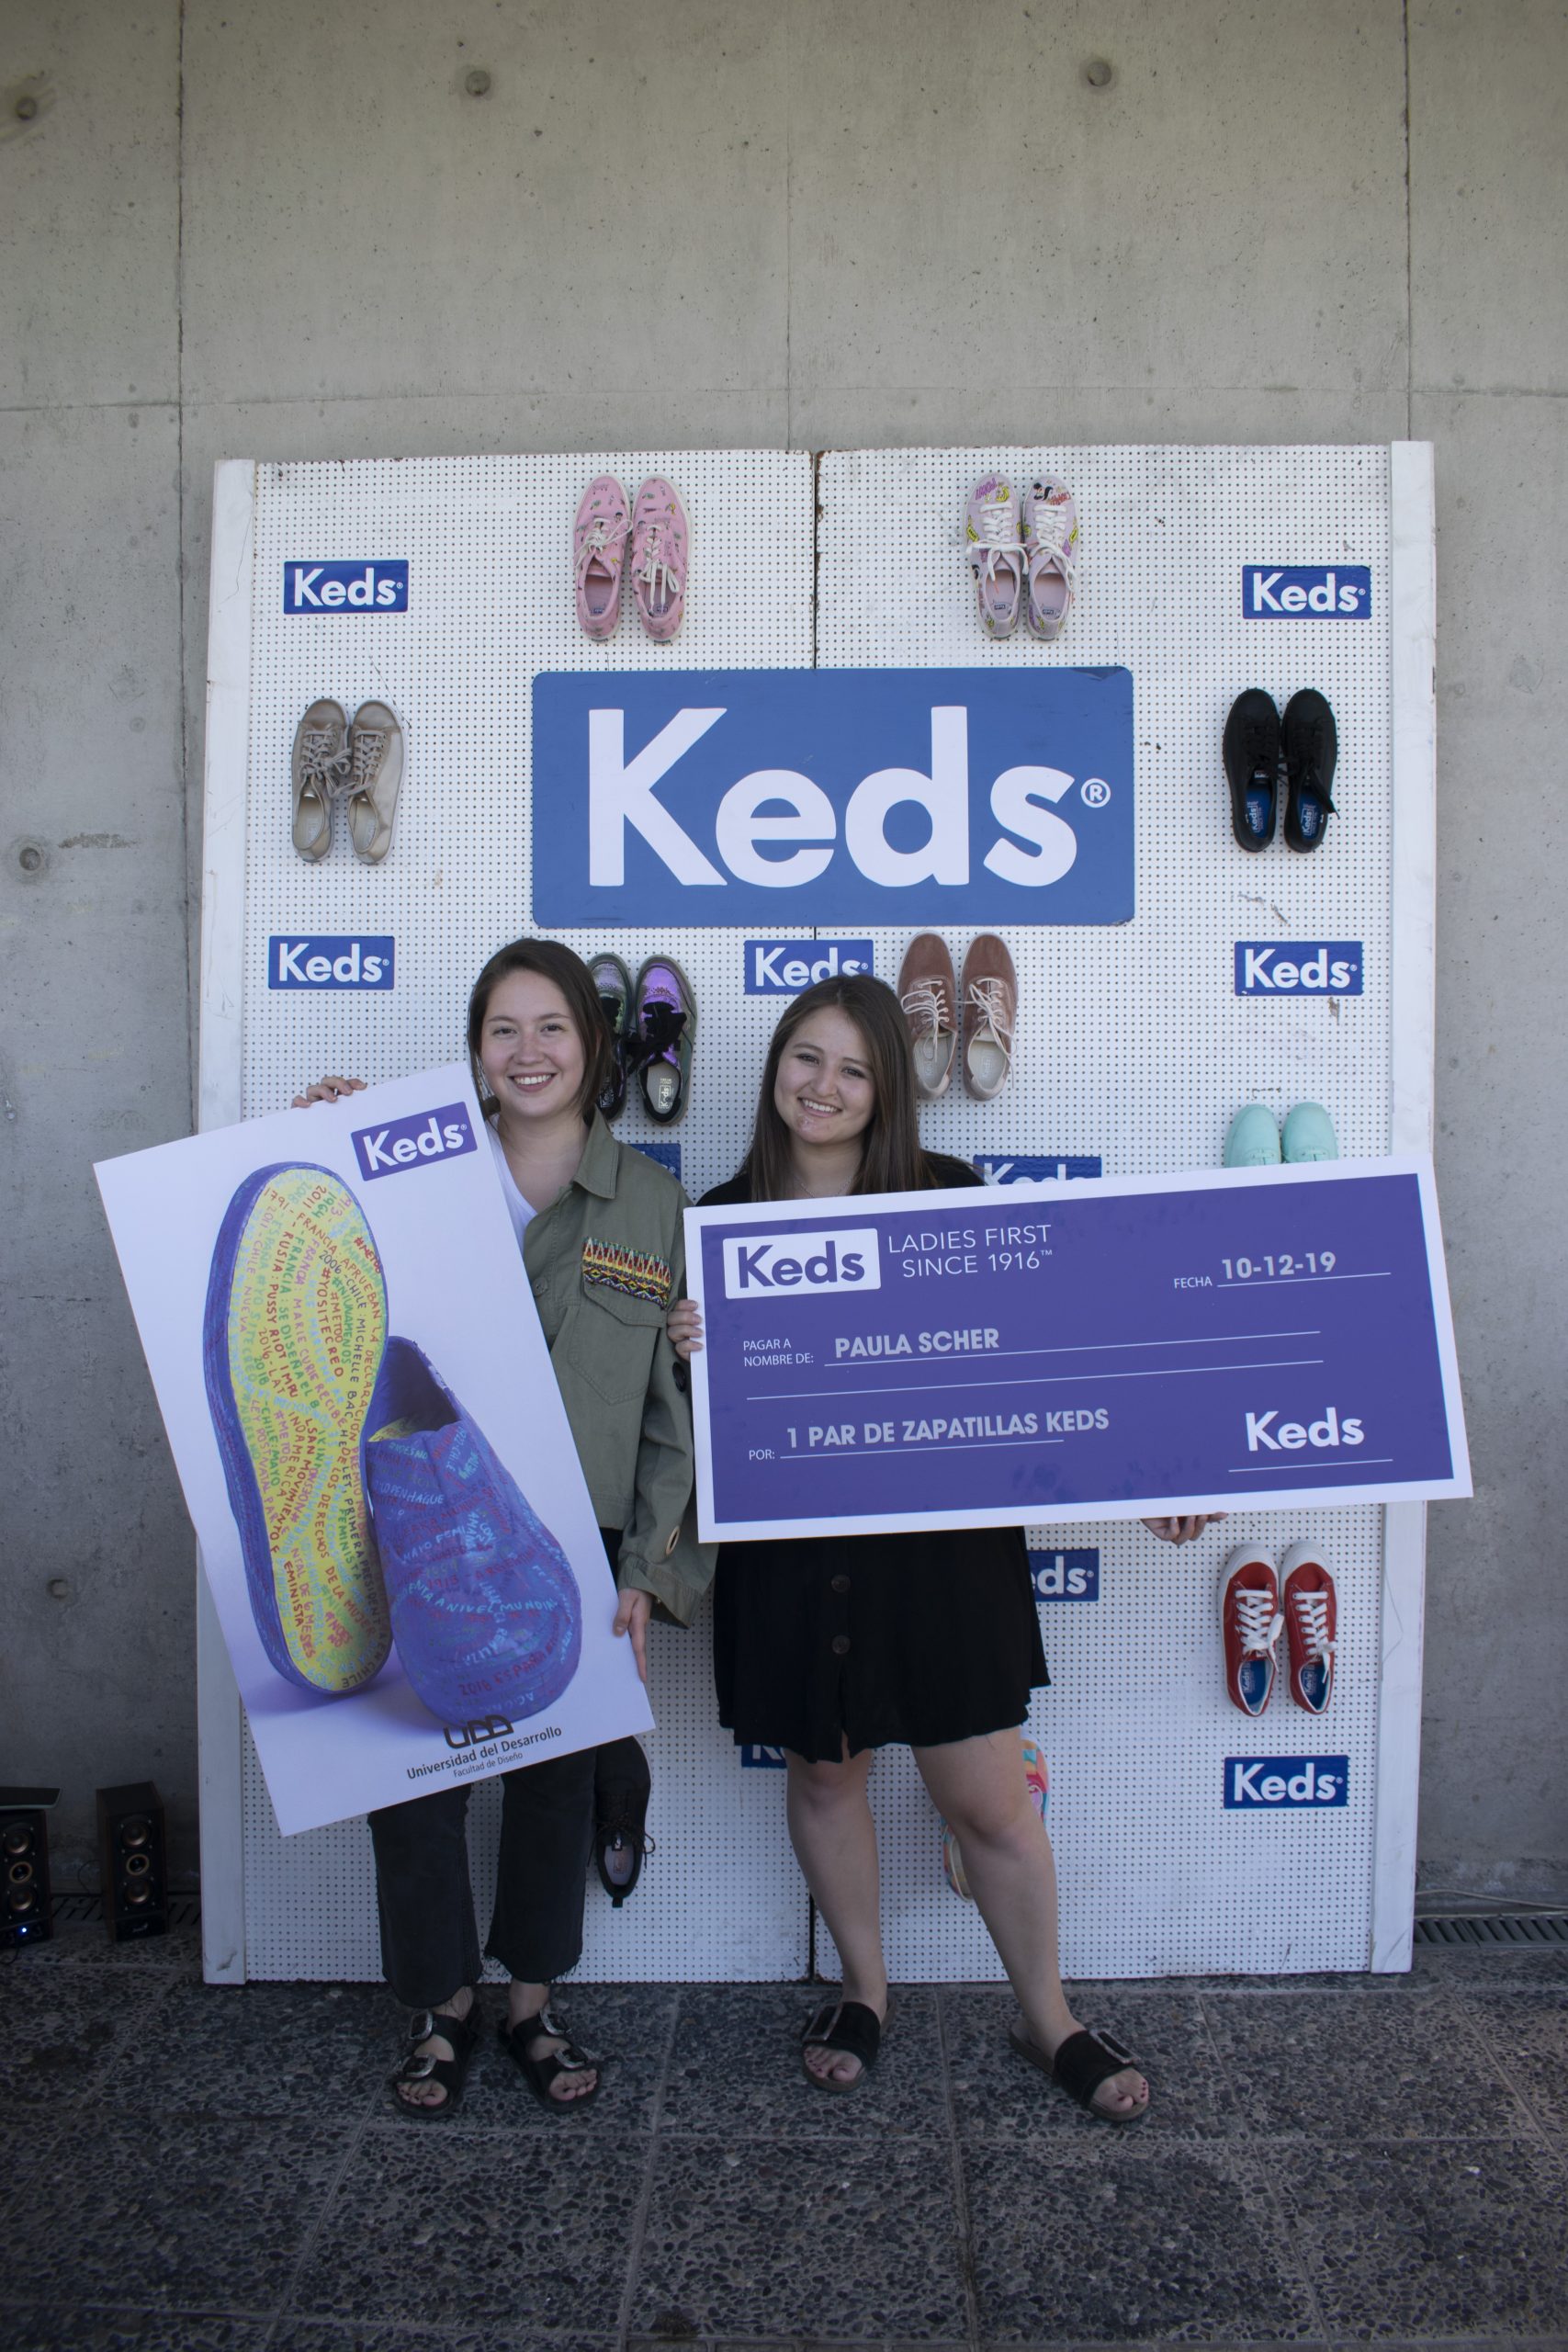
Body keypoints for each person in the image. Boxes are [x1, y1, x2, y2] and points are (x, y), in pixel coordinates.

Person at [668, 975, 1218, 2122]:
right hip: (794, 1559)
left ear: (886, 1093)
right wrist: (690, 1352)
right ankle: (865, 1991)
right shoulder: (716, 1218)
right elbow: (685, 1428)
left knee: (992, 1805)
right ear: (774, 1066)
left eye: (854, 1069)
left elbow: (1050, 1363)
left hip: (940, 1557)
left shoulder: (949, 1195)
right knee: (825, 1775)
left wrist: (1148, 1476)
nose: (823, 1086)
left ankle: (1048, 2016)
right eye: (806, 1058)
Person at [297, 937, 709, 2117]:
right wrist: (325, 1139)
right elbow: (330, 1267)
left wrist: (647, 1570)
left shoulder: (653, 1205)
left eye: (554, 1028)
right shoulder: (413, 1172)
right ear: (475, 1051)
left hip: (576, 1553)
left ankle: (531, 2003)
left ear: (596, 1046)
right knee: (412, 1785)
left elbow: (670, 1418)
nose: (529, 1053)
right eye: (503, 1030)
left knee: (555, 1787)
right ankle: (441, 2008)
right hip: (420, 1535)